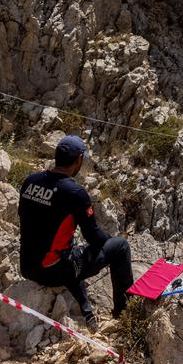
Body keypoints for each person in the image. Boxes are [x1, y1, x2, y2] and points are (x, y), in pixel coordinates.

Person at [17, 135, 134, 325]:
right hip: (52, 271)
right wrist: (109, 239)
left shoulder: (30, 181)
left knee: (69, 248)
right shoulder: (75, 193)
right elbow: (93, 236)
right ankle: (124, 315)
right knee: (120, 246)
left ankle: (86, 307)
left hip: (27, 267)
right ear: (79, 159)